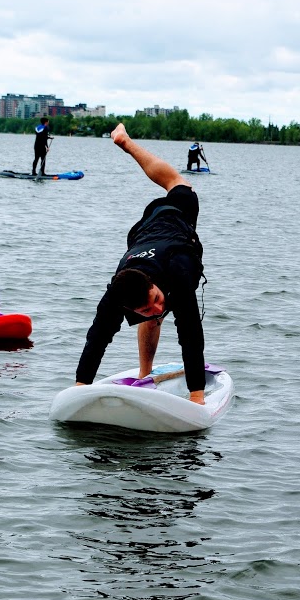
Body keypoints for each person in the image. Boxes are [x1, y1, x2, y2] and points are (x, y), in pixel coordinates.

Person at [75, 124, 207, 404]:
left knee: (178, 184)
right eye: (146, 306)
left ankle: (126, 142)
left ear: (153, 285)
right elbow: (97, 338)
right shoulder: (117, 293)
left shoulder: (178, 271)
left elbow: (190, 334)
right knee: (150, 318)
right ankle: (145, 373)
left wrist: (197, 395)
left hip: (176, 216)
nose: (159, 307)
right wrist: (79, 387)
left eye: (157, 299)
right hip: (141, 234)